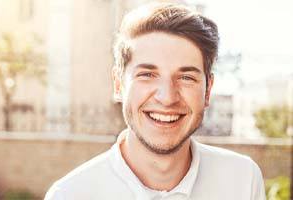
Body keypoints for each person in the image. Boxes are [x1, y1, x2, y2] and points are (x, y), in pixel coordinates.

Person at [45, 3, 266, 200]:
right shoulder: (69, 194)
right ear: (118, 85)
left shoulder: (243, 180)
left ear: (208, 91)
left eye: (186, 78)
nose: (167, 97)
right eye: (147, 75)